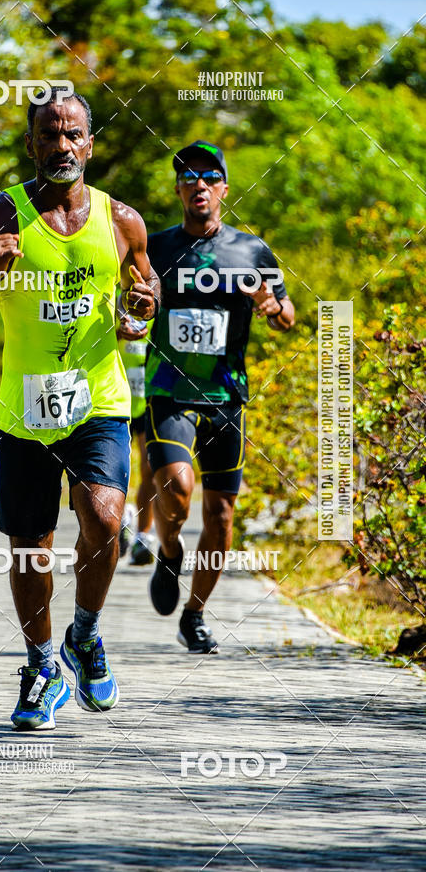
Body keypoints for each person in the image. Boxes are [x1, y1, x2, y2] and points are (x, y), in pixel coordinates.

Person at [0, 87, 159, 729]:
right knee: (30, 547)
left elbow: (143, 301)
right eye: (49, 135)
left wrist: (138, 314)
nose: (62, 146)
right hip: (25, 411)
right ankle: (41, 665)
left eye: (73, 135)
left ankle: (84, 636)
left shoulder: (122, 221)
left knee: (105, 517)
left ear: (90, 144)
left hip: (99, 402)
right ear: (31, 144)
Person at [145, 140, 295, 653]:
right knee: (176, 491)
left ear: (224, 188)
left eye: (209, 177)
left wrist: (269, 303)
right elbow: (131, 303)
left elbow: (287, 319)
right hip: (169, 391)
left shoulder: (251, 250)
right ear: (179, 190)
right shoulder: (156, 247)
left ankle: (196, 614)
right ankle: (168, 551)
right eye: (189, 178)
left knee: (222, 516)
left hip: (227, 397)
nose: (199, 185)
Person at [116, 298, 157, 566]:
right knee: (119, 469)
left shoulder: (157, 301)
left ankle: (143, 535)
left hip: (149, 397)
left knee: (148, 468)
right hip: (116, 397)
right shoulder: (111, 295)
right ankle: (121, 517)